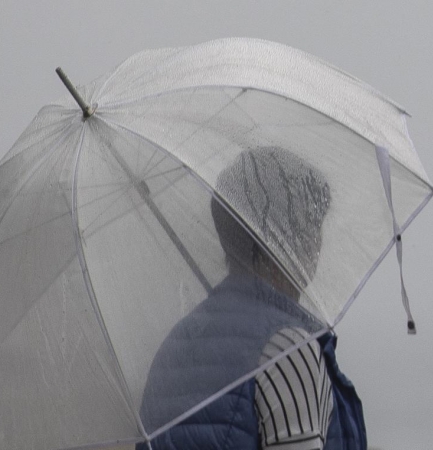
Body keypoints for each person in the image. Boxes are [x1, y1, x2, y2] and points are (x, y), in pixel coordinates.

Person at [137, 147, 366, 450]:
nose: (318, 241)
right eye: (312, 222)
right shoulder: (289, 350)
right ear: (287, 234)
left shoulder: (174, 350)